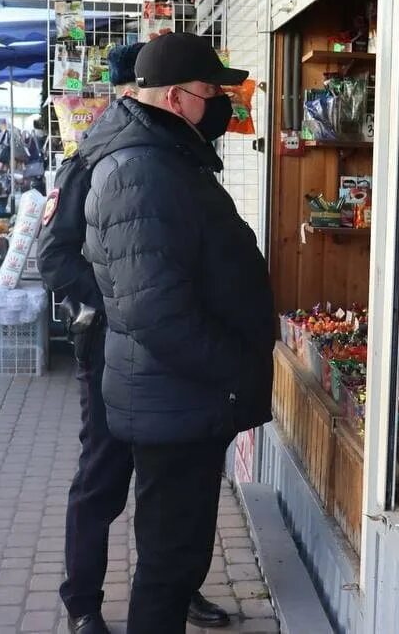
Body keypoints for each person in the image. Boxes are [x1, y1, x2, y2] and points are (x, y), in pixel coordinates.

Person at [83, 33, 275, 634]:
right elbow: (156, 313)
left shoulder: (163, 158)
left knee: (178, 554)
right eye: (213, 91)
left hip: (181, 396)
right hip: (179, 394)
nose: (222, 103)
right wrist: (236, 369)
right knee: (169, 564)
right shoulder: (144, 169)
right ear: (176, 97)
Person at [39, 42, 230, 634]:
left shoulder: (170, 152)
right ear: (136, 95)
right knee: (102, 479)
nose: (219, 105)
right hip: (110, 352)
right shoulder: (99, 158)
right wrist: (117, 306)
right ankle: (83, 603)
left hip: (161, 359)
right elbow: (55, 257)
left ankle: (178, 588)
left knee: (169, 492)